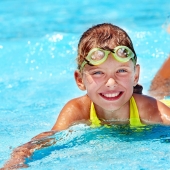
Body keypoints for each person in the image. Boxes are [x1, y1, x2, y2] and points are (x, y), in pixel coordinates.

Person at [2, 23, 170, 169]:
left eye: (121, 71)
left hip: (164, 102)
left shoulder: (149, 108)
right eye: (98, 73)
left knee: (161, 90)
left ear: (135, 75)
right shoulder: (77, 109)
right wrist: (19, 157)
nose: (111, 82)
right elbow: (47, 138)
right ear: (80, 80)